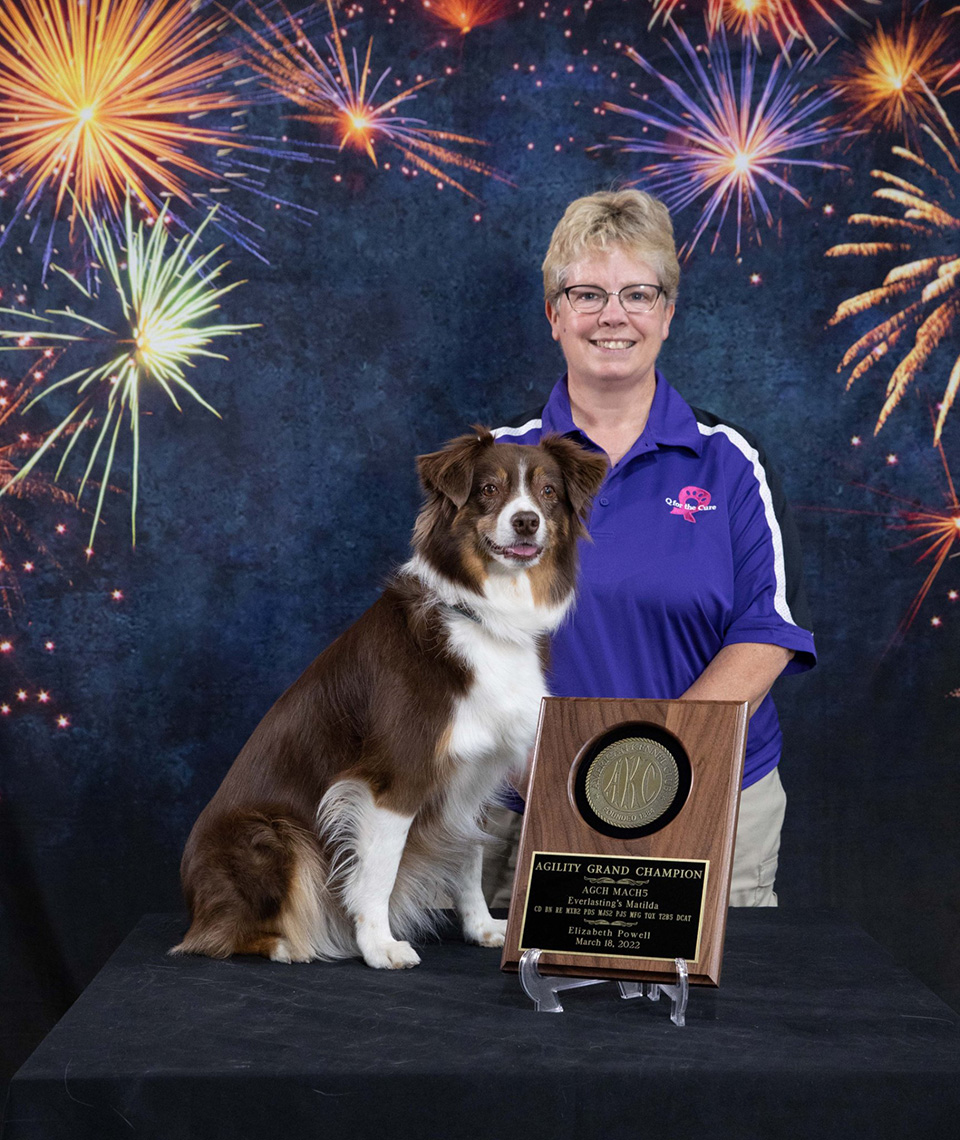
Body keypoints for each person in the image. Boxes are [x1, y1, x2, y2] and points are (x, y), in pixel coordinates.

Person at [483, 189, 816, 908]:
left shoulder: (731, 462)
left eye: (638, 293)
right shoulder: (491, 465)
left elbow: (766, 632)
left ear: (667, 313)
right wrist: (552, 779)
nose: (613, 315)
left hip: (710, 801)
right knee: (520, 1020)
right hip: (525, 800)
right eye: (586, 293)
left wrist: (649, 769)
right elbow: (449, 644)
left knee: (701, 1021)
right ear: (555, 314)